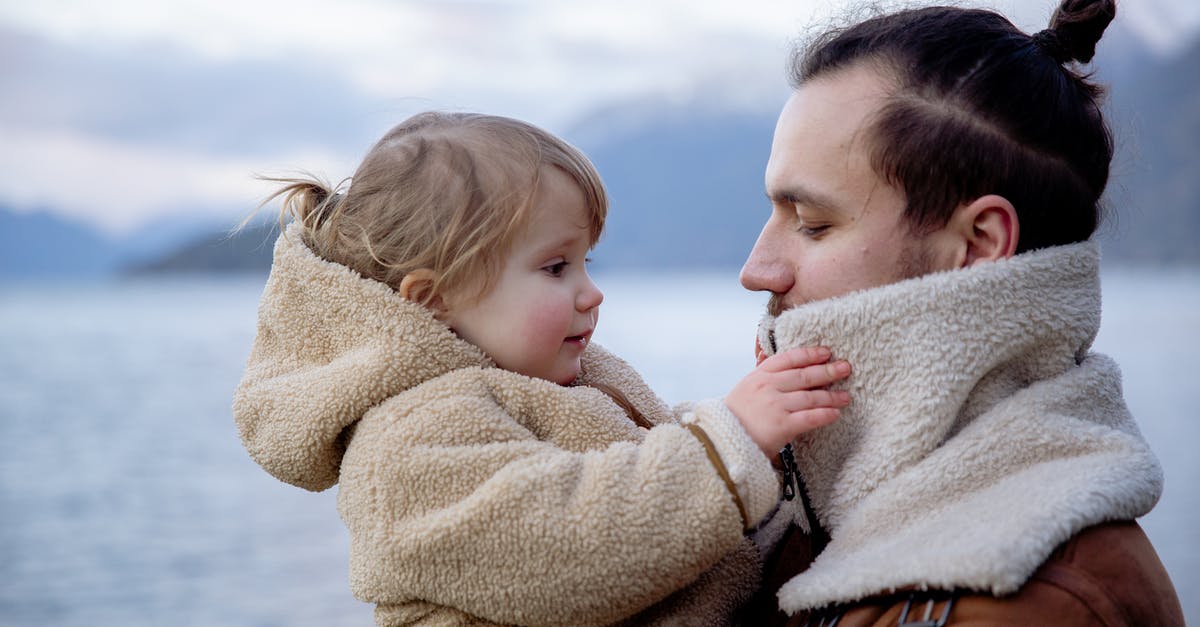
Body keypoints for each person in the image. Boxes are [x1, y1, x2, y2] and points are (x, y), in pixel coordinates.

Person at [232, 111, 849, 625]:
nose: (591, 293)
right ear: (431, 298)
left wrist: (754, 435)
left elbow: (637, 454)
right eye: (556, 268)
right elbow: (567, 548)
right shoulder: (406, 442)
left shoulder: (558, 374)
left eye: (586, 263)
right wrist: (729, 443)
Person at [736, 0, 1185, 624]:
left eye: (812, 224)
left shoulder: (1037, 600)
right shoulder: (787, 497)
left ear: (977, 245)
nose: (755, 269)